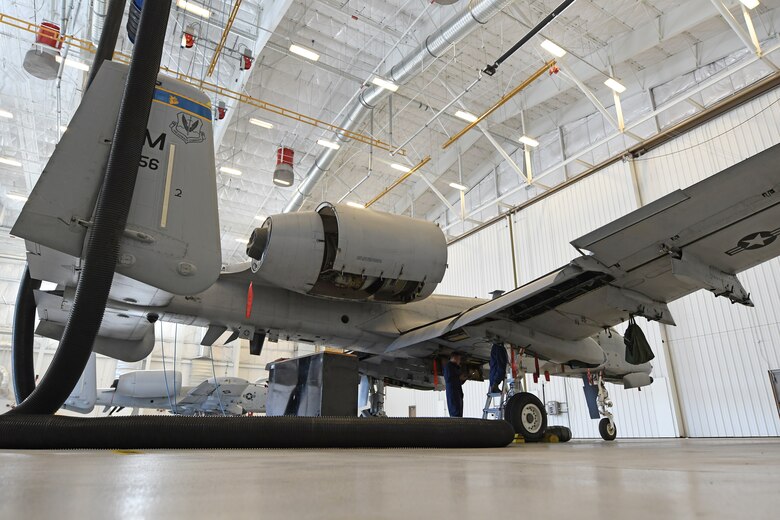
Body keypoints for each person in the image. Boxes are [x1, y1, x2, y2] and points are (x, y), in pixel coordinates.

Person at [443, 352, 465, 417]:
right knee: (455, 412)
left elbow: (456, 381)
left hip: (457, 392)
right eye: (459, 359)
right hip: (453, 392)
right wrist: (459, 378)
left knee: (458, 412)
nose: (459, 361)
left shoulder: (454, 367)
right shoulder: (448, 366)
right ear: (455, 358)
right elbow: (449, 379)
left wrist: (462, 379)